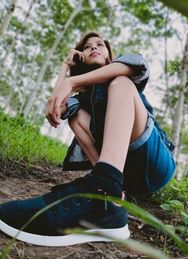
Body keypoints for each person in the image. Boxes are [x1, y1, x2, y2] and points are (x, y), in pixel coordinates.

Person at [0, 32, 176, 247]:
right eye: (87, 46)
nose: (94, 47)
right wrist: (65, 67)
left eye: (100, 44)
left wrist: (72, 80)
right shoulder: (83, 97)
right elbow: (56, 107)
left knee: (120, 83)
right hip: (127, 177)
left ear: (110, 56)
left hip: (154, 163)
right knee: (73, 112)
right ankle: (109, 192)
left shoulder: (122, 70)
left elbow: (135, 64)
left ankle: (104, 185)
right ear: (81, 56)